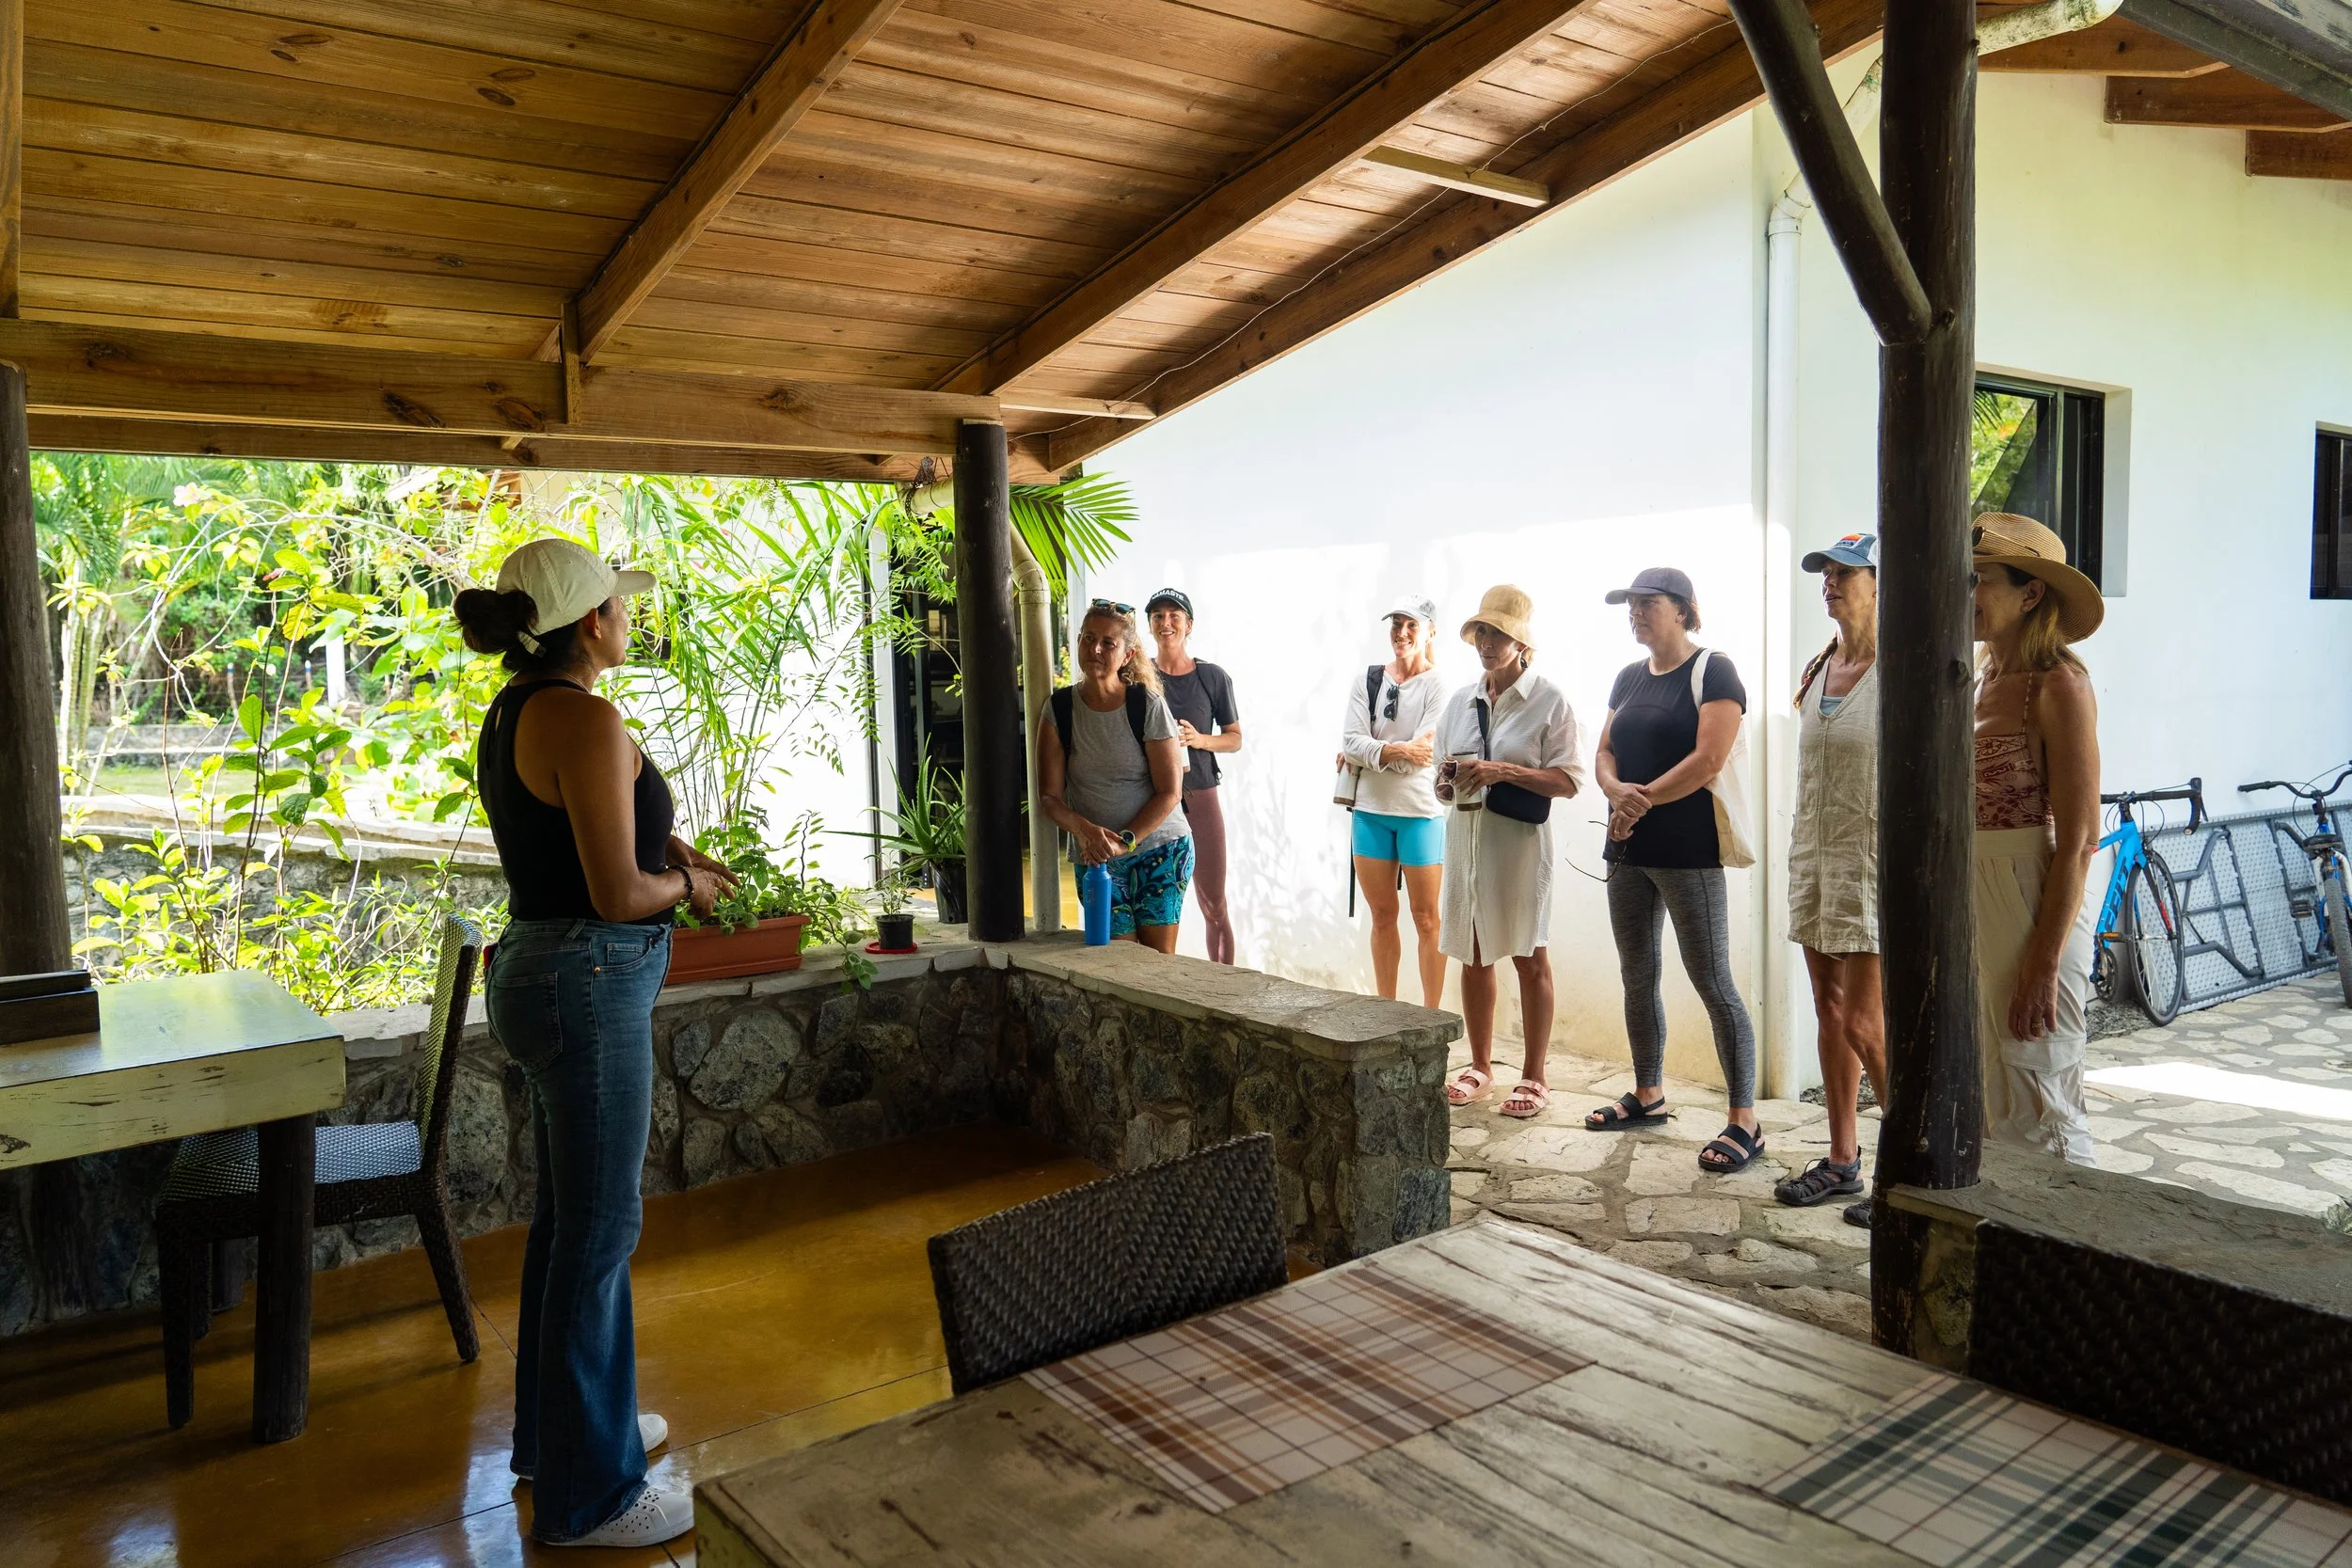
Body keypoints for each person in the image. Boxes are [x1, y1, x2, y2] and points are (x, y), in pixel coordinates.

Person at [455, 539, 738, 1550]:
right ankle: (595, 1496)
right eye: (620, 605)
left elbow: (582, 835)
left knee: (568, 1222)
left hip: (540, 965)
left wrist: (671, 844)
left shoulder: (519, 709)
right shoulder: (584, 715)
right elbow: (618, 893)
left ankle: (563, 1436)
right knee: (602, 1228)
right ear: (590, 625)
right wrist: (690, 889)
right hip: (588, 973)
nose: (631, 617)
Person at [1587, 567, 1763, 1177]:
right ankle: (1649, 1092)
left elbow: (1709, 757)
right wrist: (1614, 790)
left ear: (1684, 609)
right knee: (1638, 973)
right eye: (1629, 603)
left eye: (1647, 602)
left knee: (1713, 979)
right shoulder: (1629, 675)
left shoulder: (1713, 669)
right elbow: (1604, 750)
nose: (1634, 611)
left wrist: (1641, 799)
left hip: (1688, 849)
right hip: (1628, 849)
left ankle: (1745, 1119)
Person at [1971, 513, 2104, 1164]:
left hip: (2033, 892)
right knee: (1993, 1089)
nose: (1964, 593)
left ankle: (2072, 1252)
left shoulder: (2060, 685)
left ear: (2030, 594)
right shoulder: (1977, 677)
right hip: (1977, 892)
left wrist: (2043, 961)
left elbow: (2080, 838)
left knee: (2041, 1088)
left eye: (1981, 580)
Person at [1434, 585, 1583, 1120]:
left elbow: (1569, 781)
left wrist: (1503, 772)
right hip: (1467, 838)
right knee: (1473, 954)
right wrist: (1449, 781)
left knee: (1528, 953)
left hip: (1519, 843)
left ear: (1522, 644)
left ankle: (1535, 1076)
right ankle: (1480, 1066)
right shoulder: (1460, 701)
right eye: (1481, 633)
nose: (1487, 643)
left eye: (1498, 634)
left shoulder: (1550, 700)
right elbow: (1440, 779)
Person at [1776, 534, 1888, 1227]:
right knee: (1826, 1010)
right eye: (1826, 572)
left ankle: (1911, 1168)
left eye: (1846, 573)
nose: (1831, 582)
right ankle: (1843, 1159)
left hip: (1868, 860)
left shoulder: (1897, 668)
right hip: (1815, 857)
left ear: (1881, 584)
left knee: (1865, 1020)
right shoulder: (1822, 665)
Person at [1040, 600, 1193, 953]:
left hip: (1159, 849)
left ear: (1127, 655)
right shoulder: (1059, 708)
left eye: (1108, 643)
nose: (1095, 649)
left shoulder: (1147, 705)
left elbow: (1170, 792)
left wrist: (1125, 840)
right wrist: (1085, 831)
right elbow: (1049, 797)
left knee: (1156, 963)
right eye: (1088, 639)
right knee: (1116, 962)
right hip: (1096, 858)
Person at [1340, 595, 1448, 1007]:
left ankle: (1429, 1017)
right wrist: (1398, 752)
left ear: (1429, 633)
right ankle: (1386, 1011)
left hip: (1420, 814)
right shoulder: (1368, 679)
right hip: (1369, 813)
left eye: (1411, 626)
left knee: (1426, 919)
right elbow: (1350, 743)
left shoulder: (1438, 685)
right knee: (1382, 917)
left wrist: (1376, 753)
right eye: (1396, 624)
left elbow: (1428, 754)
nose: (1401, 633)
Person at [1146, 588, 1242, 963]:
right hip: (1153, 800)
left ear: (1189, 625)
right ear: (1150, 626)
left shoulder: (1212, 677)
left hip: (1200, 793)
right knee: (1154, 904)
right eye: (1158, 616)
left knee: (1214, 904)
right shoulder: (1139, 675)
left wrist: (1200, 739)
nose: (1166, 622)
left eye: (1174, 615)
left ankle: (1226, 994)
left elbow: (1234, 739)